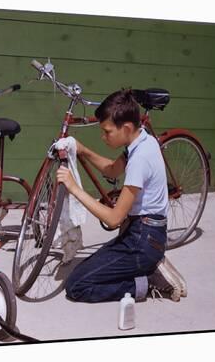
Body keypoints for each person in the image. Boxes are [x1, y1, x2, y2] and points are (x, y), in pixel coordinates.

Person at [57, 89, 187, 302]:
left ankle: (150, 281)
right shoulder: (142, 139)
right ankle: (148, 267)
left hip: (142, 241)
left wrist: (74, 188)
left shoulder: (140, 159)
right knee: (86, 271)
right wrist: (83, 150)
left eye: (107, 132)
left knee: (77, 285)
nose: (103, 136)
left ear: (126, 128)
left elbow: (114, 218)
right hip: (144, 234)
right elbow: (111, 170)